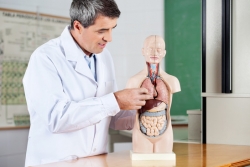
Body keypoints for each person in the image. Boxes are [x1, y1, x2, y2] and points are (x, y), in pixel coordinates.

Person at [23, 0, 150, 166]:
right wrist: (116, 100)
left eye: (112, 29)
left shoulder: (104, 56)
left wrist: (143, 109)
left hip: (96, 161)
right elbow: (57, 118)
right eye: (102, 30)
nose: (109, 38)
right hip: (56, 162)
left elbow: (110, 117)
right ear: (78, 26)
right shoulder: (45, 58)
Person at [126, 35, 181, 153]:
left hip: (164, 130)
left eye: (158, 49)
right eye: (150, 49)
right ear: (143, 51)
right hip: (141, 130)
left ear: (164, 53)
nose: (154, 53)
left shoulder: (172, 81)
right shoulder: (133, 81)